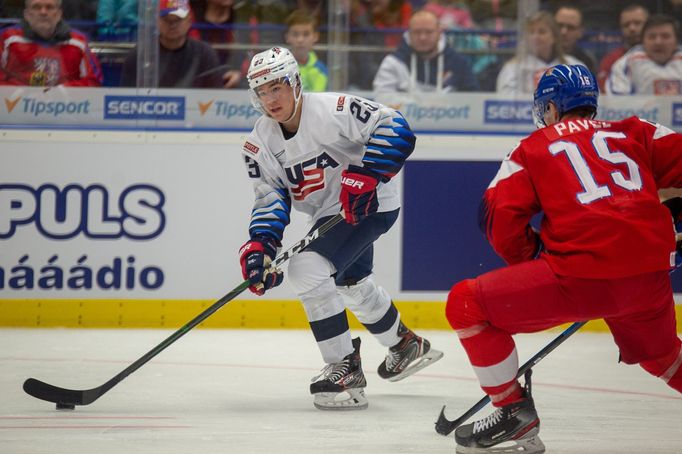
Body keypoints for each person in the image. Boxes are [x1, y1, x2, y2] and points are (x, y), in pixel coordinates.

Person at [445, 64, 682, 453]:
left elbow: (496, 219)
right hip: (650, 277)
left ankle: (512, 412)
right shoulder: (635, 131)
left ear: (551, 109)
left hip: (578, 277)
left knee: (466, 303)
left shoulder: (531, 148)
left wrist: (535, 257)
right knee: (663, 356)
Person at [238, 46, 443, 411]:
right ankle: (404, 345)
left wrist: (366, 176)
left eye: (277, 87)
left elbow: (396, 126)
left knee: (307, 268)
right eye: (262, 91)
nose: (270, 98)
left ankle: (344, 367)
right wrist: (261, 247)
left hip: (370, 204)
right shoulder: (259, 142)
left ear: (295, 82)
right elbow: (270, 197)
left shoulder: (333, 109)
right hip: (327, 214)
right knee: (350, 281)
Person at [119, 0, 224, 88]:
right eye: (167, 20)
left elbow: (214, 94)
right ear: (157, 22)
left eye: (178, 20)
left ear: (189, 21)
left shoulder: (205, 53)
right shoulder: (140, 54)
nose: (172, 25)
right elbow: (127, 94)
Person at [372, 8, 478, 93]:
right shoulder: (393, 63)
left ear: (439, 32)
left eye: (428, 32)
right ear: (409, 34)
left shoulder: (459, 63)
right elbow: (382, 100)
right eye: (417, 32)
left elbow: (473, 101)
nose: (423, 37)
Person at [0, 0, 102, 86]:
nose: (43, 12)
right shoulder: (7, 38)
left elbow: (94, 81)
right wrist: (21, 92)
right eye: (36, 7)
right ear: (26, 14)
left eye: (49, 7)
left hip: (66, 107)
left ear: (59, 14)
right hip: (15, 106)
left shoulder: (78, 42)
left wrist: (61, 93)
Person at [496, 11, 584, 95]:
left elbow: (588, 96)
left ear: (554, 37)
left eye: (542, 32)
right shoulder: (513, 67)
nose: (535, 37)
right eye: (531, 32)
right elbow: (505, 100)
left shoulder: (574, 66)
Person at [606, 14, 682, 95]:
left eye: (665, 36)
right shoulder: (627, 64)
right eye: (652, 37)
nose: (658, 42)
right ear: (643, 42)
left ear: (676, 42)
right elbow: (616, 101)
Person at [597, 3, 649, 91]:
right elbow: (604, 94)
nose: (632, 28)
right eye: (626, 25)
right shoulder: (610, 60)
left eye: (637, 23)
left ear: (649, 25)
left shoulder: (661, 57)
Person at [284, 9, 328, 92]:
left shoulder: (321, 71)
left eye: (306, 34)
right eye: (295, 34)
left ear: (315, 37)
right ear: (287, 37)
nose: (300, 40)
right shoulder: (279, 68)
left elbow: (317, 100)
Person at [553, 4, 597, 74]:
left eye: (570, 27)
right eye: (559, 25)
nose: (563, 32)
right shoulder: (538, 55)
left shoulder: (586, 61)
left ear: (580, 32)